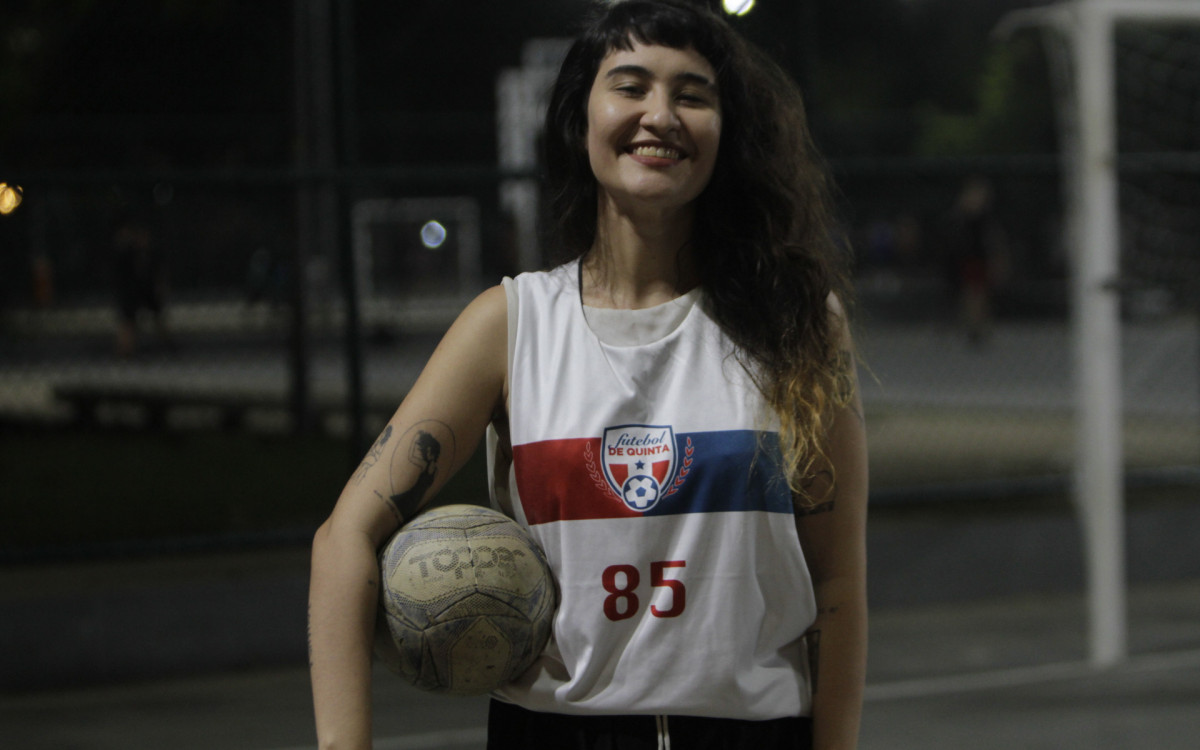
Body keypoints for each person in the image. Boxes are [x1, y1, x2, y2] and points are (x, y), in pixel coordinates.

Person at [308, 2, 868, 748]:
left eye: (692, 95)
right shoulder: (512, 325)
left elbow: (837, 583)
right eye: (630, 86)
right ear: (581, 121)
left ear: (726, 133)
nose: (660, 115)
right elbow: (344, 536)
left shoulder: (796, 324)